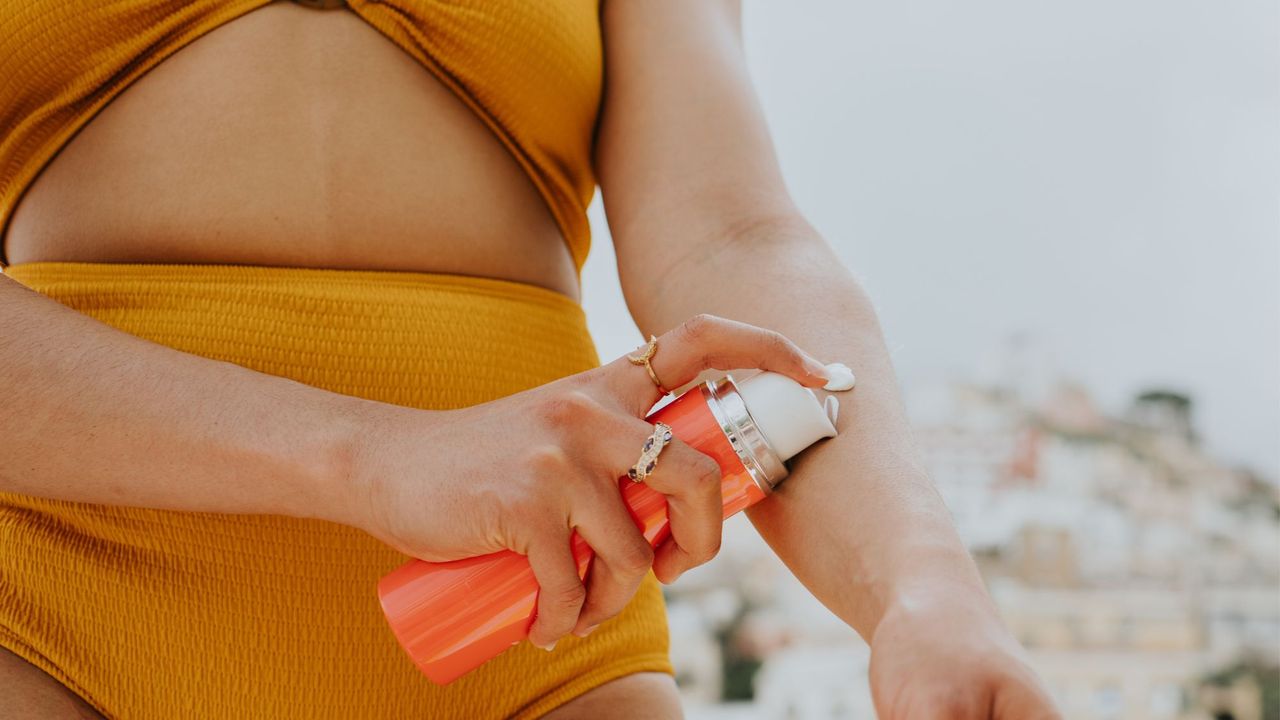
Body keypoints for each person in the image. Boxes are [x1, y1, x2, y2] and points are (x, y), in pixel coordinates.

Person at [0, 0, 1061, 718]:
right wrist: (380, 458)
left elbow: (734, 243)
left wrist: (921, 589)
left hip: (540, 628)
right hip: (49, 619)